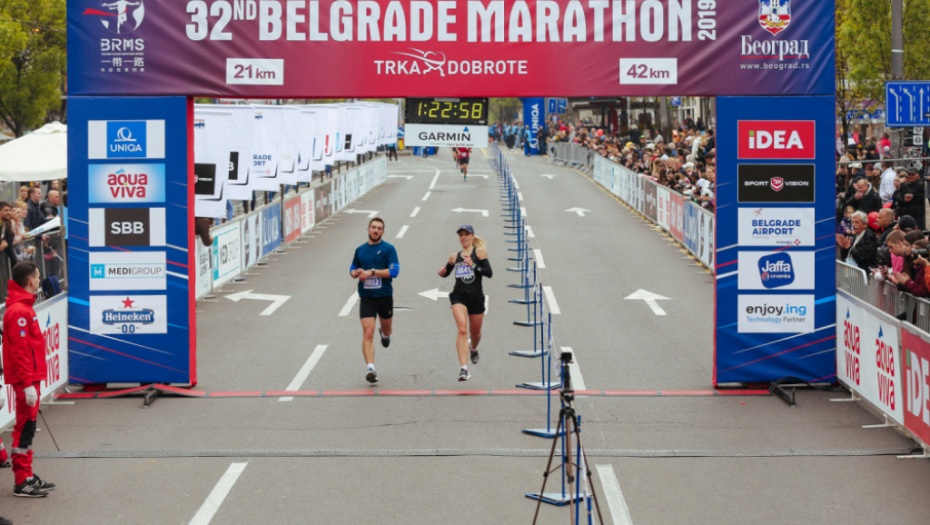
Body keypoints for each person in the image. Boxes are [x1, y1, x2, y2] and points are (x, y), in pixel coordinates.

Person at [2, 261, 55, 497]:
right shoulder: (18, 311)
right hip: (27, 380)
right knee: (24, 429)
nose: (39, 278)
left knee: (28, 428)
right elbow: (20, 351)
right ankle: (21, 481)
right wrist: (26, 384)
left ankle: (27, 475)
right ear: (31, 281)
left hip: (31, 378)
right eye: (37, 275)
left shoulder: (23, 307)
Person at [437, 225, 493, 381]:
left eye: (466, 234)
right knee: (462, 330)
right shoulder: (454, 257)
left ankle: (473, 348)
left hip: (476, 298)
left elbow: (489, 273)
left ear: (472, 237)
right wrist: (442, 272)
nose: (463, 237)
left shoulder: (479, 252)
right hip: (459, 297)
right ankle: (464, 369)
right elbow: (446, 272)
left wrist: (473, 265)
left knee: (475, 334)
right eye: (461, 235)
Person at [349, 218, 400, 384]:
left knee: (387, 330)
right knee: (367, 332)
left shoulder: (388, 249)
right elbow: (352, 268)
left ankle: (385, 334)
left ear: (383, 232)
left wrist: (371, 272)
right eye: (373, 227)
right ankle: (370, 368)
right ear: (368, 229)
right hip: (367, 298)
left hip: (384, 296)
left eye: (379, 228)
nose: (376, 230)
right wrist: (355, 273)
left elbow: (394, 272)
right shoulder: (360, 250)